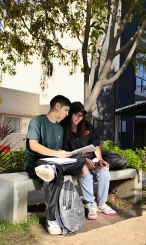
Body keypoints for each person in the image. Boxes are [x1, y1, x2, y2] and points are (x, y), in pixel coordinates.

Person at [24, 95, 87, 235]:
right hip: (36, 162)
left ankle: (54, 168)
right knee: (54, 175)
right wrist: (56, 154)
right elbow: (33, 146)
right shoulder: (37, 120)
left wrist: (61, 153)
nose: (67, 114)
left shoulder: (59, 128)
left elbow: (55, 152)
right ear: (57, 106)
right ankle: (51, 218)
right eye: (66, 110)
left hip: (53, 163)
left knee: (81, 161)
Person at [60, 102, 116, 220]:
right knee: (84, 169)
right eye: (76, 114)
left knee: (104, 169)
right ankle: (91, 205)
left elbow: (96, 144)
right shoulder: (62, 128)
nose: (78, 118)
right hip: (74, 161)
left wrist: (100, 159)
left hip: (91, 159)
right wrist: (83, 160)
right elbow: (64, 152)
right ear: (70, 113)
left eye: (81, 115)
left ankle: (102, 204)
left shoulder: (88, 126)